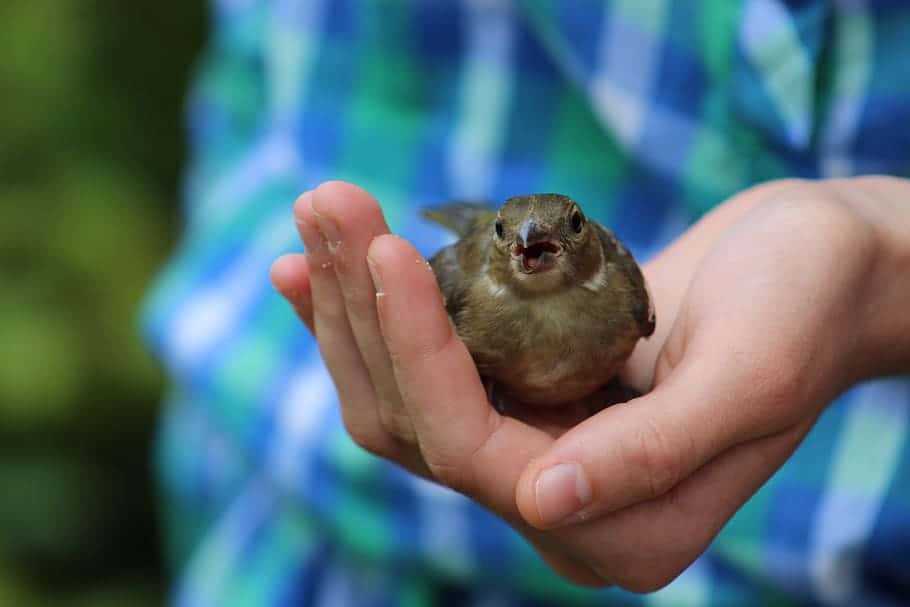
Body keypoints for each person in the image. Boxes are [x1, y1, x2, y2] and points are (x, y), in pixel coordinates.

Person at [144, 1, 910, 605]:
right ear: (499, 245)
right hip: (327, 535)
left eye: (568, 230)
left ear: (591, 239)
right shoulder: (472, 295)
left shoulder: (625, 298)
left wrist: (883, 255)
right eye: (512, 238)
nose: (535, 247)